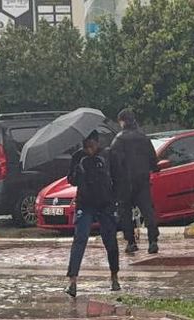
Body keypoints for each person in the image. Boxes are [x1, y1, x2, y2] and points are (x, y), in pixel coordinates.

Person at [65, 131, 121, 298]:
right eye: (85, 146)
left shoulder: (108, 155)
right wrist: (78, 170)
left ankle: (114, 275)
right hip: (85, 204)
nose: (88, 150)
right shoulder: (78, 157)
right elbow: (71, 180)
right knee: (80, 239)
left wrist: (115, 201)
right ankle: (72, 280)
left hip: (105, 204)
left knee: (110, 240)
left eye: (91, 146)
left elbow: (118, 178)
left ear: (97, 143)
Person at [110, 109, 160, 255]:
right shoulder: (144, 138)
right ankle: (153, 241)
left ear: (123, 121)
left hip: (124, 183)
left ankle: (131, 242)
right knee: (148, 211)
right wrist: (152, 168)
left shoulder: (118, 140)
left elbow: (114, 163)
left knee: (125, 212)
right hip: (142, 181)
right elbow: (153, 160)